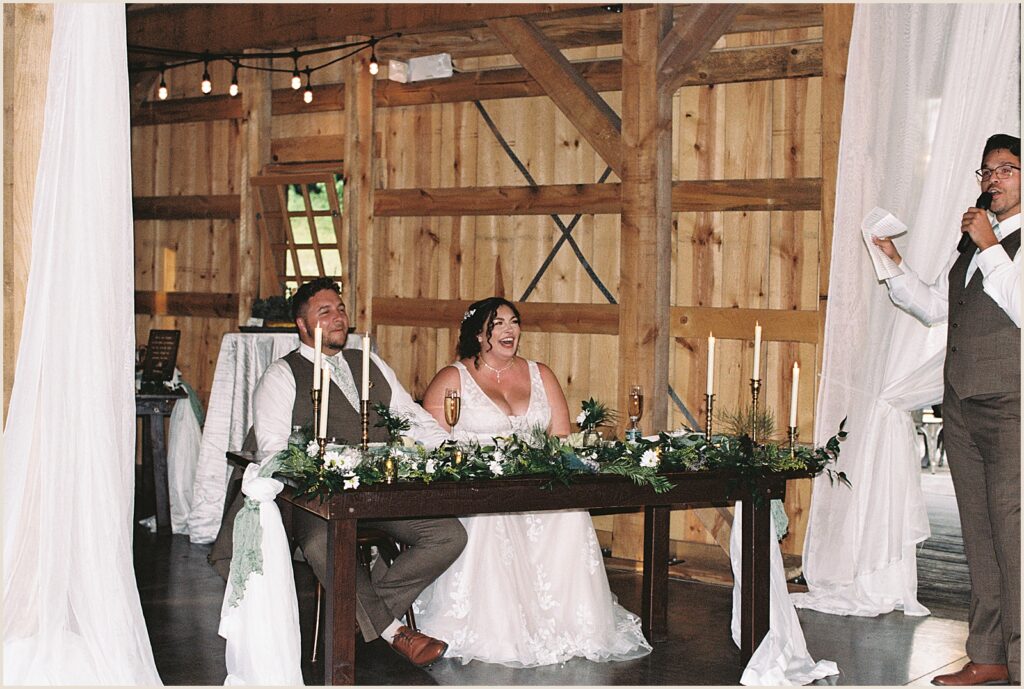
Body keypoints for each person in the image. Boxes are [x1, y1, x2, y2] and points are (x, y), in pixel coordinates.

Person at [211, 278, 467, 668]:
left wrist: (446, 446)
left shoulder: (372, 365)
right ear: (301, 324)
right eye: (325, 312)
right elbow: (274, 452)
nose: (338, 318)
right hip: (313, 504)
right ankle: (396, 633)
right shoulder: (281, 377)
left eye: (341, 309)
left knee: (448, 535)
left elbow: (411, 417)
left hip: (380, 492)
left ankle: (359, 615)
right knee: (322, 546)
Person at [412, 297, 653, 667]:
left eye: (515, 322)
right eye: (498, 324)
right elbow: (432, 448)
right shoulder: (451, 379)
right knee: (494, 524)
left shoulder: (541, 374)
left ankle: (569, 623)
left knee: (571, 513)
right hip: (479, 495)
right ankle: (502, 627)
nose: (510, 330)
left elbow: (560, 439)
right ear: (479, 335)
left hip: (537, 489)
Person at [872, 134, 1020, 686]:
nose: (993, 180)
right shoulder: (976, 243)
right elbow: (937, 305)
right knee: (980, 536)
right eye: (987, 172)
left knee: (1016, 536)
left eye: (1007, 170)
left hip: (1014, 407)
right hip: (961, 405)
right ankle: (988, 654)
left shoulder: (996, 244)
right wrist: (893, 265)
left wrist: (989, 247)